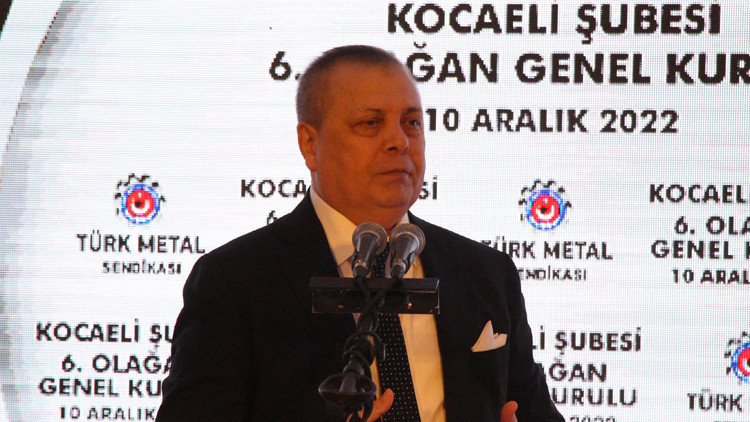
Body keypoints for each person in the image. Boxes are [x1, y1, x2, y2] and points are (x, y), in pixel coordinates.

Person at [157, 45, 563, 422]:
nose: (399, 141)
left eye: (411, 123)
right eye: (371, 123)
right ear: (309, 144)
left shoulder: (486, 274)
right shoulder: (236, 281)